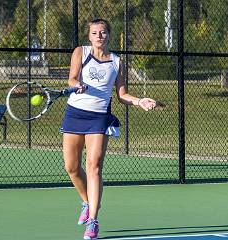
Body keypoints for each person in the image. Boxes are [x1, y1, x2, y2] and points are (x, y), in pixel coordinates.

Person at [60, 19, 159, 240]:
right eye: (95, 32)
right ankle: (86, 201)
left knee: (94, 166)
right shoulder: (81, 52)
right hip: (75, 114)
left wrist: (139, 101)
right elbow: (72, 78)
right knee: (72, 167)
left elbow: (122, 94)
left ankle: (93, 221)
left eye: (103, 32)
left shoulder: (116, 62)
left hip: (99, 118)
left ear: (108, 35)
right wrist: (77, 85)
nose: (99, 36)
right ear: (89, 36)